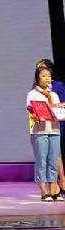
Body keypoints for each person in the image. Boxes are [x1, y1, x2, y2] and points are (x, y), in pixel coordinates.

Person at [26, 66, 63, 201]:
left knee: (53, 161)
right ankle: (43, 191)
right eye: (43, 75)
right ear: (37, 78)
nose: (47, 78)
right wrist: (36, 114)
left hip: (54, 130)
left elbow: (58, 112)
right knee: (42, 161)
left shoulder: (54, 95)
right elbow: (31, 110)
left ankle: (54, 191)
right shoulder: (32, 94)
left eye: (49, 76)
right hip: (39, 131)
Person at [35, 59, 65, 195]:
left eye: (44, 69)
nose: (41, 71)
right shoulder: (34, 91)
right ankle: (50, 187)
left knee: (56, 154)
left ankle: (61, 181)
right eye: (39, 69)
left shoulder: (57, 86)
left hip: (58, 124)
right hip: (41, 127)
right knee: (44, 156)